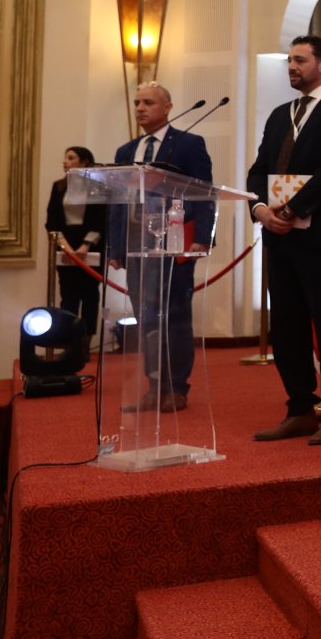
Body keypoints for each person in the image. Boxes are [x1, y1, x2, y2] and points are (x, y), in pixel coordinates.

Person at [248, 35, 321, 446]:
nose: (291, 67)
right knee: (286, 326)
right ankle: (300, 408)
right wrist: (260, 209)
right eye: (289, 60)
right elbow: (259, 169)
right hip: (280, 237)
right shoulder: (280, 114)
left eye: (299, 60)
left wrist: (290, 210)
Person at [111, 83, 215, 412]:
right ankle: (155, 385)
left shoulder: (189, 144)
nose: (140, 108)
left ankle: (177, 387)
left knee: (175, 316)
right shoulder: (126, 151)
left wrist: (202, 236)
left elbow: (204, 191)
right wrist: (116, 246)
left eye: (148, 102)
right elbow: (118, 202)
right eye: (137, 103)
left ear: (168, 107)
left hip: (175, 242)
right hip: (137, 245)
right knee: (145, 317)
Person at [45, 146, 110, 346]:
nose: (65, 161)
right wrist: (65, 246)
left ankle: (85, 342)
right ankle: (68, 340)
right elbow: (52, 220)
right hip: (66, 245)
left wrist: (85, 246)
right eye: (65, 157)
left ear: (84, 162)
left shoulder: (97, 187)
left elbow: (101, 219)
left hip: (91, 245)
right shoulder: (58, 186)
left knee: (90, 295)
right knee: (68, 295)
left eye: (71, 158)